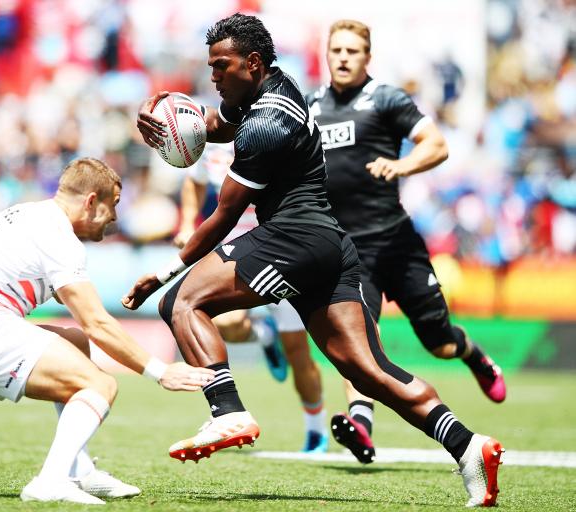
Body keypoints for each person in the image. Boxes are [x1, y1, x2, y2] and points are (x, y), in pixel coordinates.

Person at [126, 14, 504, 507]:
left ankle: (228, 411)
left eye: (221, 66)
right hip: (331, 244)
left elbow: (223, 215)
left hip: (293, 238)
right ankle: (469, 446)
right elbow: (220, 123)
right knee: (368, 371)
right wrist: (180, 124)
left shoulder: (267, 124)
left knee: (180, 301)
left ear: (252, 63)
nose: (214, 76)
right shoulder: (274, 90)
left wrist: (163, 272)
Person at [0, 158, 215, 505]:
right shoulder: (57, 235)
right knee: (101, 384)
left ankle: (79, 470)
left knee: (74, 342)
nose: (116, 217)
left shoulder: (29, 214)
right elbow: (97, 322)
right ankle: (50, 480)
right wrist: (160, 371)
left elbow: (78, 311)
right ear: (91, 201)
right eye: (113, 205)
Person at [306, 19, 507, 465]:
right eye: (336, 49)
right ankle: (361, 423)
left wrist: (402, 167)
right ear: (326, 54)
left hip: (396, 243)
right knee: (359, 337)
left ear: (367, 57)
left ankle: (473, 356)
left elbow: (436, 144)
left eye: (352, 51)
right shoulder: (311, 106)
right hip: (347, 251)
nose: (342, 57)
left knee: (439, 342)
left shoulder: (387, 99)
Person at [175, 143, 328, 453]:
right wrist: (187, 222)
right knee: (227, 325)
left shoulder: (277, 130)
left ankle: (316, 430)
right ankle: (264, 335)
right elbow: (195, 181)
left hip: (283, 251)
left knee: (298, 353)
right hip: (237, 254)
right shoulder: (212, 144)